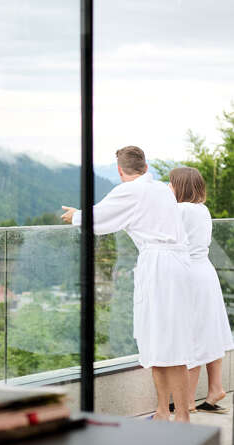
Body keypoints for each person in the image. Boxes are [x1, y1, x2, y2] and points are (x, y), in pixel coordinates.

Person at [61, 146, 195, 422]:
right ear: (146, 167)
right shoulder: (161, 190)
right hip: (179, 267)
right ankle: (172, 413)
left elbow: (99, 220)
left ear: (121, 172)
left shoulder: (130, 191)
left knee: (159, 339)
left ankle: (171, 414)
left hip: (159, 269)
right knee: (170, 340)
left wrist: (75, 216)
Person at [169, 166, 233, 413]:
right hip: (205, 272)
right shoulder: (202, 210)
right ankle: (215, 388)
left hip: (188, 275)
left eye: (171, 183)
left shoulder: (180, 210)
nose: (168, 188)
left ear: (180, 186)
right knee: (209, 329)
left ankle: (186, 402)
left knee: (191, 334)